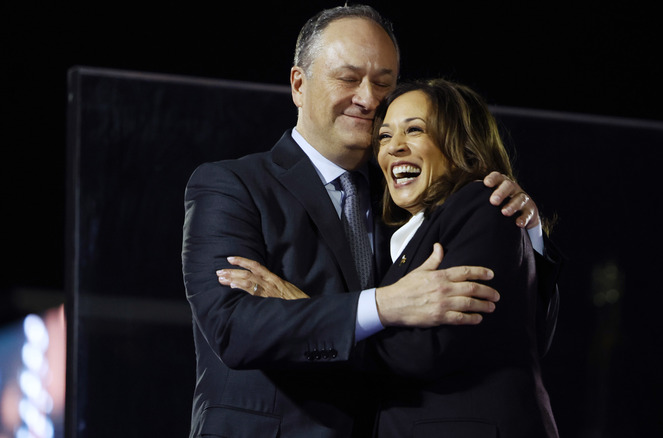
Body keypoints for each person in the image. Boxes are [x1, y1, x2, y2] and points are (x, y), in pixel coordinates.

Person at [182, 5, 559, 438]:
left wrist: (525, 238)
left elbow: (499, 337)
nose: (368, 99)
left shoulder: (415, 198)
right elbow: (234, 329)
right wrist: (384, 305)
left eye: (384, 83)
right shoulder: (230, 185)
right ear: (298, 85)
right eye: (348, 78)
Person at [367, 79, 558, 437]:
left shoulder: (482, 205)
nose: (394, 148)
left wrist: (324, 324)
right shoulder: (410, 235)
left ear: (460, 145)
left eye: (414, 130)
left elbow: (429, 348)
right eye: (384, 136)